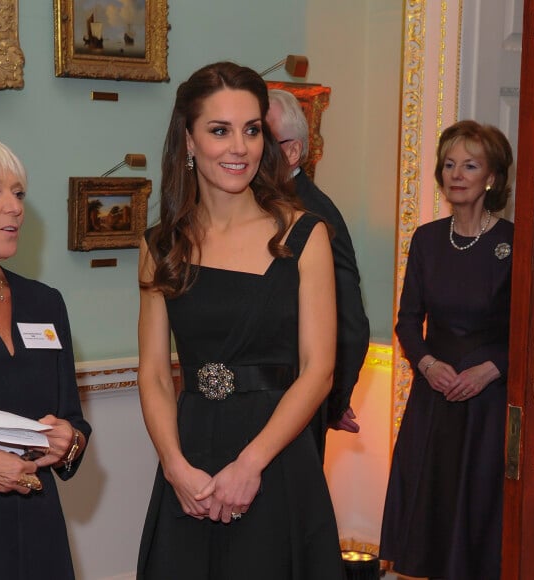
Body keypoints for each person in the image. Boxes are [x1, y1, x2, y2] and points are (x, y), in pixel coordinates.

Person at [136, 62, 346, 579]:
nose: (239, 147)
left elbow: (318, 370)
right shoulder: (161, 244)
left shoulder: (305, 235)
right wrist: (174, 466)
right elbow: (155, 373)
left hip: (276, 458)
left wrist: (251, 465)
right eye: (219, 130)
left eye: (251, 130)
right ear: (188, 140)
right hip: (190, 460)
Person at [379, 120, 514, 579]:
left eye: (470, 165)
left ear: (491, 177)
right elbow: (407, 320)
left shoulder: (514, 244)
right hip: (434, 400)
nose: (457, 174)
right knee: (429, 519)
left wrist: (492, 369)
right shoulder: (428, 239)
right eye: (450, 164)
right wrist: (428, 363)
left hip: (488, 405)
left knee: (478, 522)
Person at [0, 132, 91, 579]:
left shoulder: (45, 302)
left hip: (38, 531)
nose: (15, 206)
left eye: (18, 193)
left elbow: (73, 420)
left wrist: (68, 442)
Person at [267, 88, 370, 457]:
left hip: (298, 402)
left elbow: (350, 322)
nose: (243, 149)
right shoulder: (259, 209)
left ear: (292, 151)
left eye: (260, 137)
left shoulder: (313, 216)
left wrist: (332, 401)